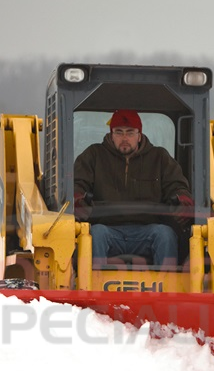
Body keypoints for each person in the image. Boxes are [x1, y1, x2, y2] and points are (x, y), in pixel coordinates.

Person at [73, 109, 194, 266]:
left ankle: (167, 288)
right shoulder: (93, 155)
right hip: (107, 228)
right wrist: (77, 198)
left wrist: (182, 199)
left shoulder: (160, 158)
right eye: (119, 132)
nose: (124, 138)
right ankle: (90, 286)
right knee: (93, 234)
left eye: (130, 133)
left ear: (139, 135)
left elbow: (176, 185)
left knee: (165, 235)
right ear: (111, 134)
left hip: (148, 229)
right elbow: (78, 183)